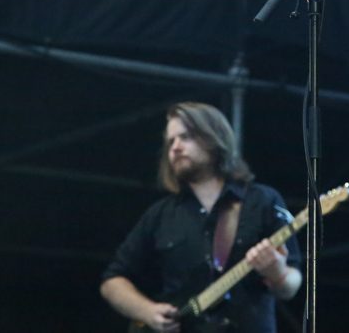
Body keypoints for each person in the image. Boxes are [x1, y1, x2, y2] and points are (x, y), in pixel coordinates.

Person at [100, 101, 302, 333]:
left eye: (185, 137)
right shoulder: (161, 214)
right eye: (170, 141)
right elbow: (112, 281)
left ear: (213, 138)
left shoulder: (263, 200)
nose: (175, 148)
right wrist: (147, 311)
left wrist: (278, 273)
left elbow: (291, 286)